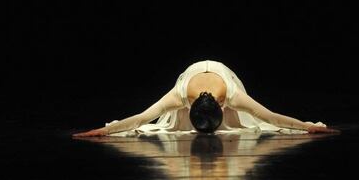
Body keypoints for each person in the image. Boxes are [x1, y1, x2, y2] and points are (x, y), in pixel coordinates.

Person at [73, 60, 339, 137]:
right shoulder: (179, 95)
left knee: (254, 120)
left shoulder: (233, 94)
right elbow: (142, 117)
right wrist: (105, 130)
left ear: (223, 106)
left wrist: (308, 127)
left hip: (224, 75)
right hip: (194, 77)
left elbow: (270, 117)